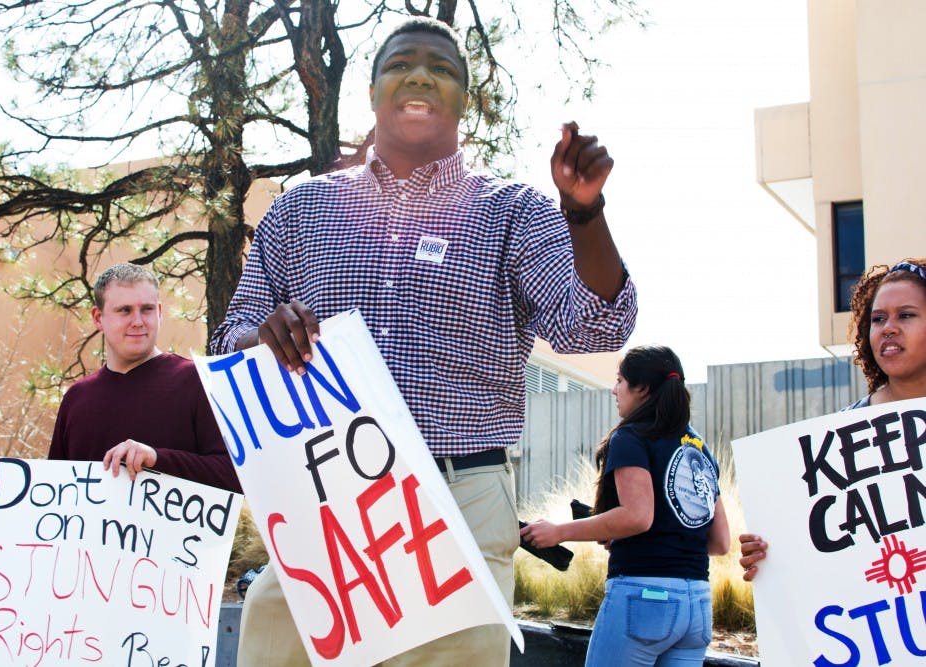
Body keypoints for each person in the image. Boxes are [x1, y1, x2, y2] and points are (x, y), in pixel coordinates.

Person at [209, 16, 637, 667]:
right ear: (374, 90)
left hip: (457, 499)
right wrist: (260, 335)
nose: (419, 76)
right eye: (400, 63)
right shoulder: (302, 210)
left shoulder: (514, 211)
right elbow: (227, 339)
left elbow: (595, 324)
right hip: (325, 499)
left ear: (465, 99)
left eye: (441, 68)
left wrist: (583, 212)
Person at [521, 345, 730, 666]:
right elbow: (720, 543)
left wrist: (559, 531)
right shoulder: (699, 448)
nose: (614, 389)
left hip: (643, 600)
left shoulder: (631, 437)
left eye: (620, 380)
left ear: (642, 388)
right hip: (698, 606)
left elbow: (637, 517)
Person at [739, 257, 926, 580]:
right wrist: (768, 553)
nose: (888, 328)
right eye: (878, 319)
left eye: (906, 315)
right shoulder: (839, 435)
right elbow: (813, 544)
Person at [48, 262, 241, 493]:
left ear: (159, 313)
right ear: (98, 318)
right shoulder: (76, 399)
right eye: (125, 310)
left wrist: (157, 459)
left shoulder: (197, 381)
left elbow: (234, 477)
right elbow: (56, 490)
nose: (138, 321)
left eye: (147, 309)